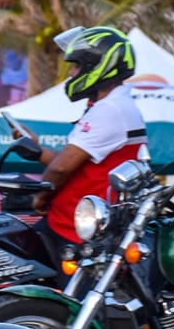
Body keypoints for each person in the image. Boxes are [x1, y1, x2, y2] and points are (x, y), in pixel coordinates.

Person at [33, 26, 147, 245]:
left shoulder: (111, 109)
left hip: (72, 231)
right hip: (76, 226)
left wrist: (40, 196)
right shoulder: (113, 105)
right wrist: (35, 148)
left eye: (76, 65)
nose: (71, 73)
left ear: (99, 66)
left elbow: (61, 168)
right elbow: (75, 164)